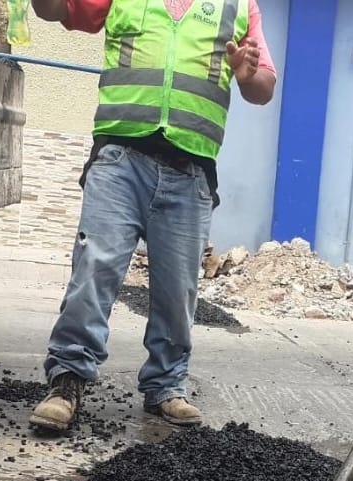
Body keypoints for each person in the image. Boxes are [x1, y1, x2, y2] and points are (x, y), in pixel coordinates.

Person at [28, 0, 277, 432]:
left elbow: (264, 87)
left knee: (178, 288)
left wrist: (245, 73)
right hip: (121, 159)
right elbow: (55, 11)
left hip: (191, 170)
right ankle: (67, 378)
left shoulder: (237, 6)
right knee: (95, 267)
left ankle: (165, 385)